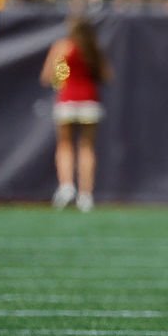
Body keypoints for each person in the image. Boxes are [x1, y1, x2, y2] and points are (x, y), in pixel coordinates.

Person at [41, 17, 110, 212]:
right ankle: (86, 194)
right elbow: (106, 75)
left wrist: (64, 78)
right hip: (90, 101)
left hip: (68, 101)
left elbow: (53, 78)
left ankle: (67, 186)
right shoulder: (93, 48)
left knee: (65, 145)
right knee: (87, 147)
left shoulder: (63, 47)